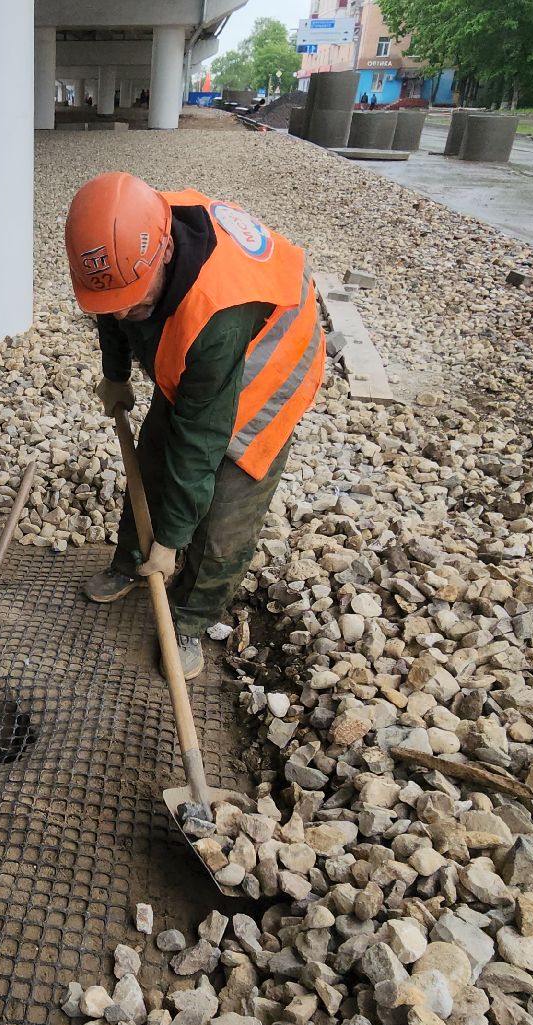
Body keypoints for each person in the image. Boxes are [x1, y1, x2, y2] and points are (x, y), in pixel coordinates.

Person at [63, 172, 324, 680]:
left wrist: (174, 539)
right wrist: (114, 376)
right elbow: (112, 308)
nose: (121, 313)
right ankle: (134, 560)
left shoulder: (215, 313)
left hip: (264, 372)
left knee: (224, 516)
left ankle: (188, 618)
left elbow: (202, 439)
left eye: (134, 304)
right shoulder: (125, 241)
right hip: (203, 354)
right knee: (156, 456)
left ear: (162, 254)